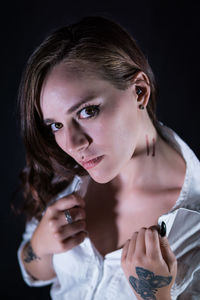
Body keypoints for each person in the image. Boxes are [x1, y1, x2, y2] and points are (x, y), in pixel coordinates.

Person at [17, 16, 200, 300]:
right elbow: (36, 271)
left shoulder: (194, 223)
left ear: (139, 91)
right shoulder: (64, 176)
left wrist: (157, 297)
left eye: (87, 111)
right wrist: (38, 247)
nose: (72, 144)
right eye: (56, 125)